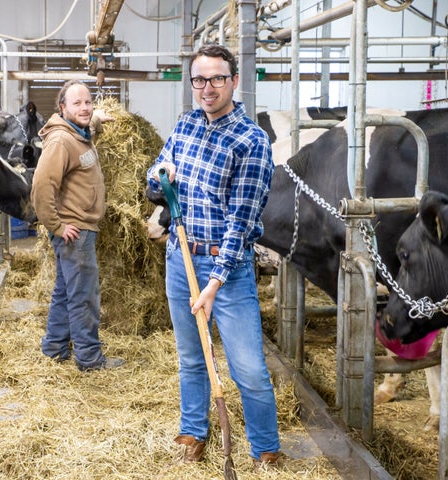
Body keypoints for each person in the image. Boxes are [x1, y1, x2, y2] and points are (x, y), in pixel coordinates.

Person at [146, 44, 281, 471]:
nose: (207, 88)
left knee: (248, 368)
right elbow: (157, 176)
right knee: (191, 356)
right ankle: (194, 431)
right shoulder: (185, 125)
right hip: (180, 257)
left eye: (217, 78)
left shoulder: (252, 142)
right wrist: (160, 179)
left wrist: (214, 283)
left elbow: (241, 224)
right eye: (199, 79)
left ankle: (265, 450)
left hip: (228, 267)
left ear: (234, 81)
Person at [31, 80, 123, 371]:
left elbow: (85, 127)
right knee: (84, 295)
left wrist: (94, 119)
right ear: (63, 108)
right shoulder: (61, 141)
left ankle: (55, 347)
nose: (84, 108)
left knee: (65, 290)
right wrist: (57, 226)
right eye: (77, 103)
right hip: (75, 230)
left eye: (88, 102)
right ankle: (89, 358)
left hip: (80, 228)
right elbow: (41, 186)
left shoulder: (78, 133)